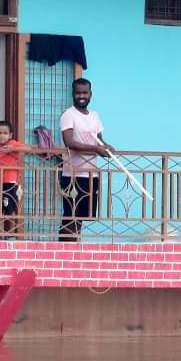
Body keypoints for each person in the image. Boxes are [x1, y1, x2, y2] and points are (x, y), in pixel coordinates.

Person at [59, 77, 114, 241]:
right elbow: (69, 142)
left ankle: (74, 247)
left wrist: (107, 148)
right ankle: (63, 250)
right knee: (70, 215)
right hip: (72, 174)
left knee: (82, 216)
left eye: (84, 92)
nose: (81, 96)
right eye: (78, 93)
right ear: (73, 94)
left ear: (90, 94)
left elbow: (99, 140)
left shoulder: (95, 116)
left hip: (90, 174)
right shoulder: (68, 115)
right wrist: (96, 149)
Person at [0, 121, 27, 239]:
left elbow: (27, 148)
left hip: (10, 182)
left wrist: (12, 149)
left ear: (10, 135)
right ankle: (0, 233)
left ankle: (11, 233)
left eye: (5, 133)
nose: (2, 135)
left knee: (10, 207)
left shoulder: (12, 144)